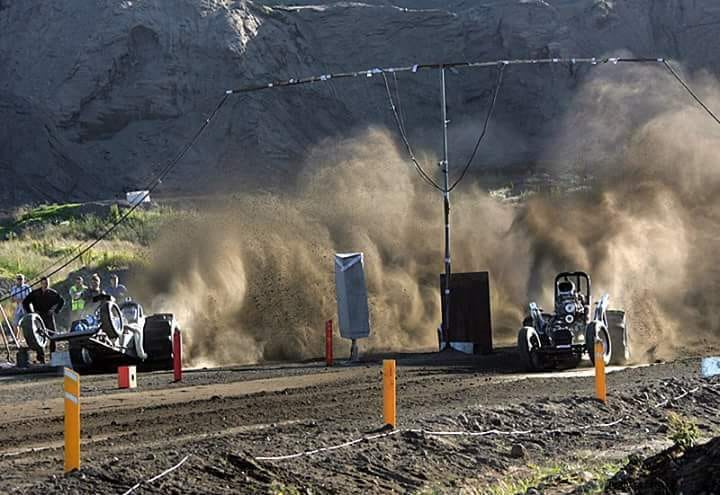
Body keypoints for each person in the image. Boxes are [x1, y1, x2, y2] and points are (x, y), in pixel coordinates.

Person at [22, 276, 64, 364]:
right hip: (38, 317)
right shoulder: (35, 293)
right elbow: (25, 302)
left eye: (47, 283)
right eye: (43, 283)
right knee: (39, 337)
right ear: (41, 283)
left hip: (49, 316)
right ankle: (41, 358)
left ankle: (53, 357)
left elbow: (61, 301)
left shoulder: (53, 293)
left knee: (53, 336)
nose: (45, 285)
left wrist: (55, 310)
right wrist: (31, 313)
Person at [9, 274, 31, 340]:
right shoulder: (14, 288)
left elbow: (31, 297)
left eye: (21, 279)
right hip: (18, 308)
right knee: (15, 323)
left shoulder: (27, 287)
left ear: (23, 280)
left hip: (27, 307)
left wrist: (24, 300)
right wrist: (17, 300)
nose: (19, 280)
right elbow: (11, 299)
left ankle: (28, 338)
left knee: (28, 324)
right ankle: (16, 338)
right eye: (18, 279)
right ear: (16, 280)